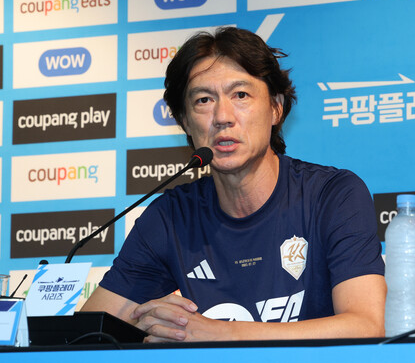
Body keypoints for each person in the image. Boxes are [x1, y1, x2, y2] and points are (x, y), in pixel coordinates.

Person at [82, 27, 386, 342]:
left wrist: (223, 333)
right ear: (185, 121)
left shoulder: (333, 196)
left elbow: (365, 326)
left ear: (276, 108)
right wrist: (152, 325)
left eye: (240, 95)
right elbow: (86, 337)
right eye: (203, 100)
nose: (222, 117)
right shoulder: (171, 217)